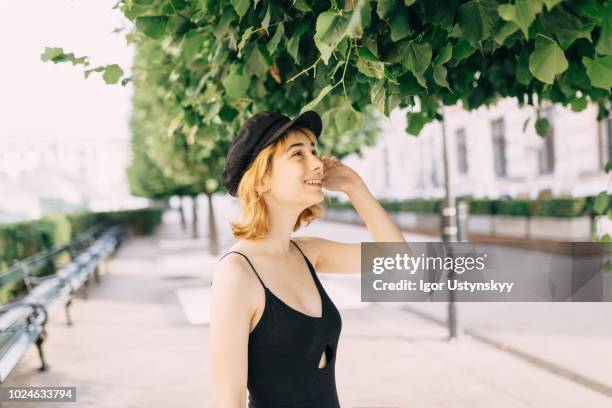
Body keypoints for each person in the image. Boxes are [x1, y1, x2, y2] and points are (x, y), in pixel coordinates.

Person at [210, 111, 407, 407]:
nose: (317, 162)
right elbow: (229, 402)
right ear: (262, 179)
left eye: (313, 151)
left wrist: (355, 187)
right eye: (297, 154)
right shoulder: (236, 273)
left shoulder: (307, 253)